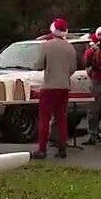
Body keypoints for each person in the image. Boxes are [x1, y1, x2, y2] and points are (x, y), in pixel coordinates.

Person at [31, 17, 78, 159]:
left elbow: (38, 65)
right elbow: (73, 68)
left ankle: (42, 149)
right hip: (64, 86)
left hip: (49, 86)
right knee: (61, 118)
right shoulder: (70, 47)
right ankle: (62, 147)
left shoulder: (46, 45)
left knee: (44, 119)